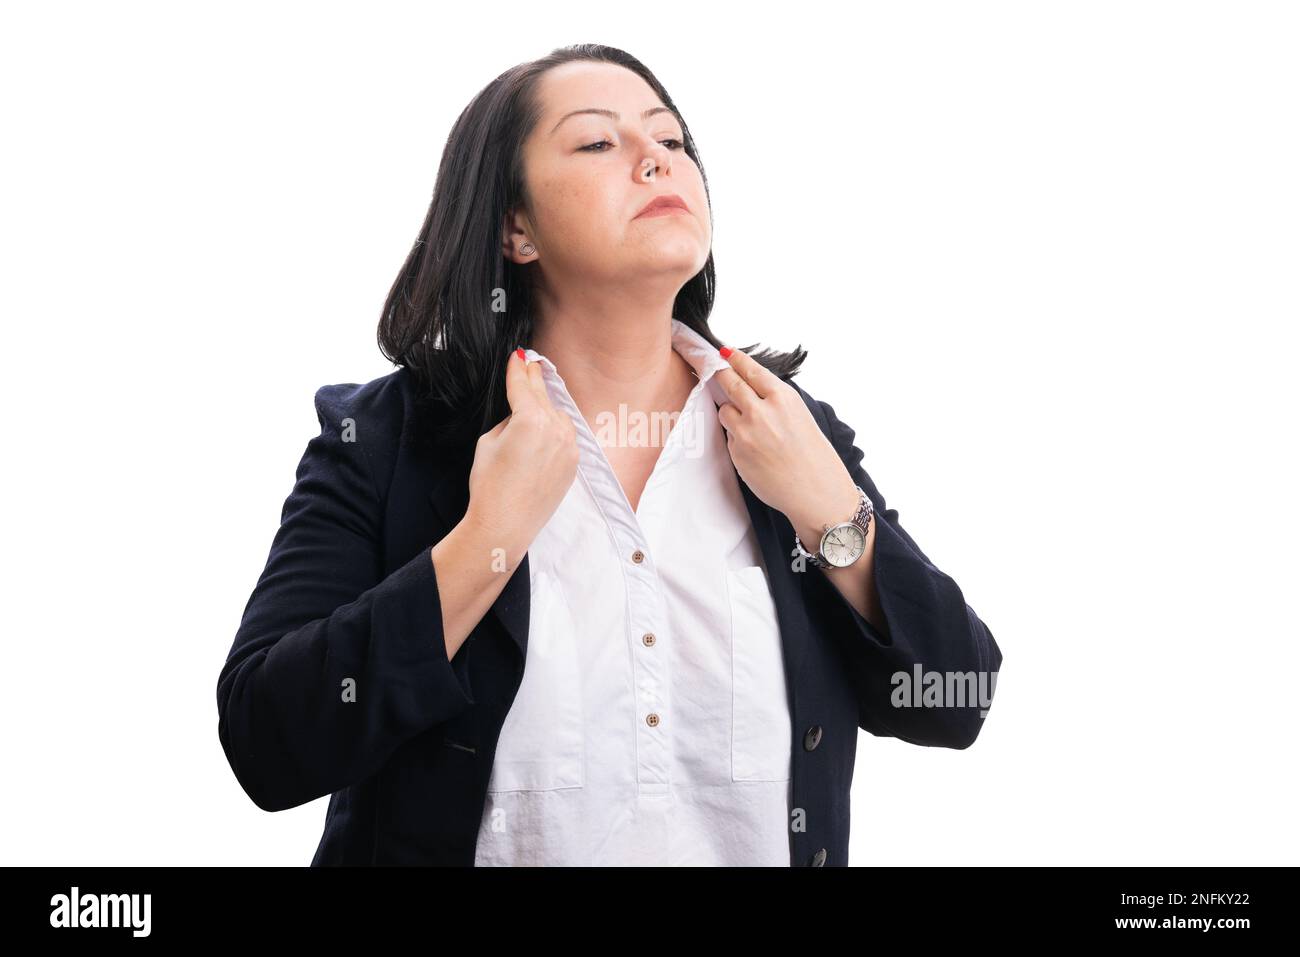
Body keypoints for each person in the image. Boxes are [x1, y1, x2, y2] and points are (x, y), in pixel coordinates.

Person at [216, 43, 1002, 866]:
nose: (654, 159)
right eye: (598, 142)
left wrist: (832, 516)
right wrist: (489, 537)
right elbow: (267, 744)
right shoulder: (383, 441)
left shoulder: (788, 432)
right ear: (514, 227)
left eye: (672, 141)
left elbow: (961, 698)